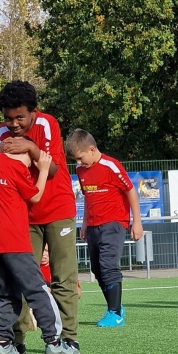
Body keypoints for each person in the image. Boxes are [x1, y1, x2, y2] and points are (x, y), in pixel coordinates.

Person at [0, 81, 80, 354]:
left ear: (34, 112)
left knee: (63, 278)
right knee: (20, 280)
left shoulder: (47, 124)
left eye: (20, 117)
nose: (13, 124)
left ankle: (68, 339)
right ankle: (15, 341)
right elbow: (0, 162)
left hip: (58, 209)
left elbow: (51, 170)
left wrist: (30, 147)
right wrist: (0, 150)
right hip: (23, 216)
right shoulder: (1, 133)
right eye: (8, 118)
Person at [0, 144, 74, 354]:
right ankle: (54, 344)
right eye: (32, 156)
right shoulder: (16, 167)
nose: (34, 160)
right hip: (13, 242)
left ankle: (3, 345)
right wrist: (43, 170)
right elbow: (35, 196)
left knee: (8, 293)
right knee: (38, 290)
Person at [66, 128, 143, 327]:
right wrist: (84, 224)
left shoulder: (111, 165)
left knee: (108, 265)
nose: (79, 163)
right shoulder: (81, 170)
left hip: (114, 223)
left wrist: (137, 221)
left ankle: (115, 313)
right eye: (75, 160)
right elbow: (88, 197)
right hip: (93, 225)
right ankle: (115, 306)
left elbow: (131, 192)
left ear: (92, 149)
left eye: (80, 158)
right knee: (97, 269)